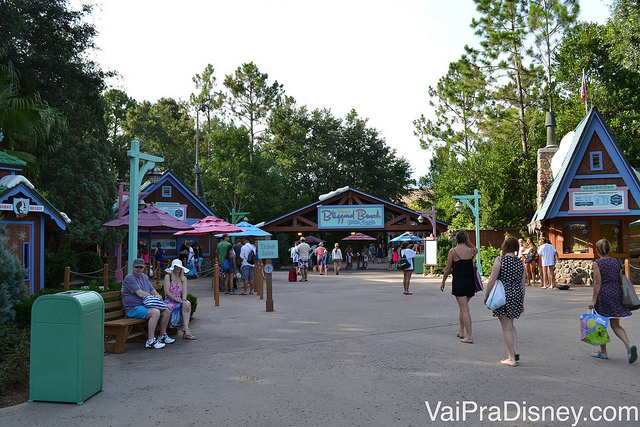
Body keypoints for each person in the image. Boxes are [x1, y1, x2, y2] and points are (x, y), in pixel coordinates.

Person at [588, 238, 636, 363]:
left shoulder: (597, 263)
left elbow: (597, 283)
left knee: (600, 325)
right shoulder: (615, 261)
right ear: (609, 249)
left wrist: (593, 301)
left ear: (597, 250)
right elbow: (621, 278)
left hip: (604, 294)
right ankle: (628, 346)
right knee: (616, 325)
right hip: (616, 293)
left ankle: (603, 352)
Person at [484, 237, 526, 367]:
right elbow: (523, 284)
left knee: (506, 328)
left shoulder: (500, 260)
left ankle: (511, 358)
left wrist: (487, 295)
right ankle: (515, 350)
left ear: (504, 246)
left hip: (503, 294)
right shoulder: (520, 263)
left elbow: (492, 279)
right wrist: (522, 302)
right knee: (511, 325)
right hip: (517, 294)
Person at [121, 258, 175, 349]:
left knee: (167, 310)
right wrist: (155, 298)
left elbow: (152, 290)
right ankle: (150, 341)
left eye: (141, 267)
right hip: (132, 309)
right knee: (155, 312)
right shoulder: (129, 278)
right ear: (132, 267)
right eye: (136, 267)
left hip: (145, 305)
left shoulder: (144, 277)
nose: (138, 269)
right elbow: (140, 293)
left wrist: (158, 297)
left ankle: (162, 335)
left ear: (144, 268)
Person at [440, 230, 477, 343]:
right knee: (463, 307)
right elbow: (476, 249)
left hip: (459, 283)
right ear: (466, 239)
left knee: (465, 309)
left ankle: (469, 336)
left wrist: (443, 281)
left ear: (457, 239)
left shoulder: (453, 251)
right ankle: (461, 330)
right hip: (470, 283)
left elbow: (448, 268)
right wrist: (469, 242)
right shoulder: (471, 251)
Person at [163, 259, 197, 340]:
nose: (177, 268)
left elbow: (184, 291)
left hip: (179, 300)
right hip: (169, 301)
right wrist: (178, 300)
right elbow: (166, 292)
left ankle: (186, 330)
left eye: (178, 267)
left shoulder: (183, 278)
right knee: (175, 305)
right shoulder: (168, 277)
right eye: (175, 266)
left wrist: (184, 300)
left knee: (187, 303)